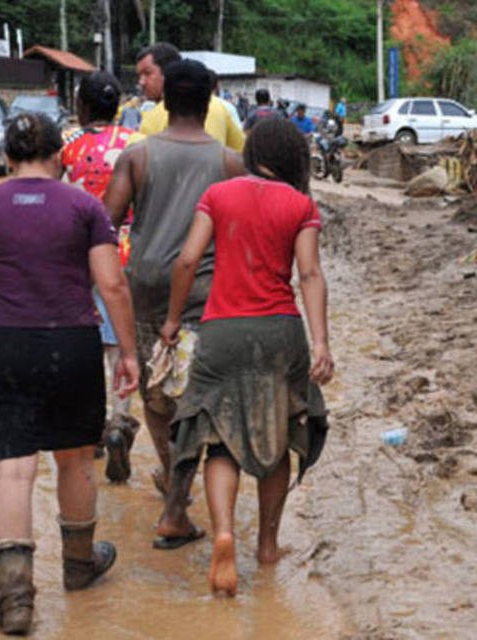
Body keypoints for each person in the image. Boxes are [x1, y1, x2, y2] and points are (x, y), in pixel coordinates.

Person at [0, 113, 139, 634]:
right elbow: (113, 286)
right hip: (72, 343)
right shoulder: (84, 206)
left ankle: (16, 601)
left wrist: (4, 330)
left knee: (12, 470)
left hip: (3, 342)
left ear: (8, 157)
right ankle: (79, 567)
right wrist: (127, 352)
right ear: (60, 156)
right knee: (77, 459)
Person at [160, 116, 334, 596]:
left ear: (252, 151)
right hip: (280, 331)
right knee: (277, 435)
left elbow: (188, 259)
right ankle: (268, 547)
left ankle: (222, 534)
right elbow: (311, 275)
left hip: (221, 330)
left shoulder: (218, 195)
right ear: (293, 159)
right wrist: (320, 342)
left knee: (219, 438)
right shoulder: (301, 205)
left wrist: (173, 320)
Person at [104, 59, 247, 549]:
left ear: (165, 101)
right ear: (210, 101)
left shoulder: (138, 157)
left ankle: (173, 484)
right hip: (206, 294)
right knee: (199, 398)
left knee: (156, 395)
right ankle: (176, 505)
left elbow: (107, 222)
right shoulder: (230, 163)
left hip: (144, 288)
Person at [62, 71, 141, 483]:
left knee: (86, 342)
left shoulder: (68, 145)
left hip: (78, 254)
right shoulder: (136, 145)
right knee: (120, 344)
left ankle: (89, 428)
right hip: (125, 250)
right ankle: (119, 422)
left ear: (82, 105)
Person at [136, 43, 245, 152]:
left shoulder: (151, 120)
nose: (141, 82)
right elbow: (242, 153)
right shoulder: (219, 107)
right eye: (139, 75)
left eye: (147, 73)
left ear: (167, 74)